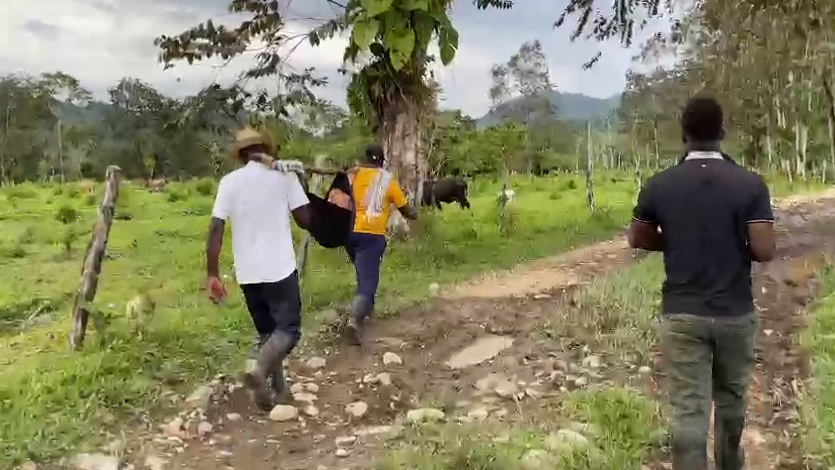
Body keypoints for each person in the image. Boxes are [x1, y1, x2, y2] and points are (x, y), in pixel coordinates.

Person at [628, 96, 776, 470]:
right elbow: (764, 249)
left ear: (684, 134)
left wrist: (676, 242)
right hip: (734, 313)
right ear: (722, 132)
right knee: (731, 404)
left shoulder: (660, 184)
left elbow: (638, 237)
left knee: (689, 412)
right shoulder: (749, 184)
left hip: (682, 314)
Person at [205, 127, 313, 410]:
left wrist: (212, 274)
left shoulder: (229, 182)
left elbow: (216, 227)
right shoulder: (285, 176)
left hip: (248, 272)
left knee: (268, 333)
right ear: (267, 149)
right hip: (279, 268)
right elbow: (305, 220)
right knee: (288, 330)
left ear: (241, 154)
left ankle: (278, 392)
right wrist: (302, 185)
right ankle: (260, 368)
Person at [344, 144, 418, 345]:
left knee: (363, 273)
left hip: (352, 233)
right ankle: (354, 321)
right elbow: (405, 209)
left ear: (364, 158)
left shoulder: (354, 175)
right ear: (382, 161)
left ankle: (367, 310)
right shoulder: (388, 180)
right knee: (368, 283)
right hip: (373, 236)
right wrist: (415, 214)